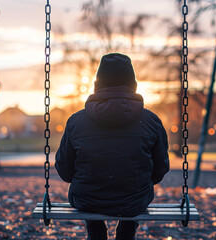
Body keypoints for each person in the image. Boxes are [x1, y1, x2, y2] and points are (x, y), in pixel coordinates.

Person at [55, 53, 170, 240]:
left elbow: (64, 170)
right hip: (134, 200)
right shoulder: (151, 121)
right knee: (135, 190)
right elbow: (161, 168)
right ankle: (127, 231)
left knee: (88, 191)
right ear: (133, 84)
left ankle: (95, 231)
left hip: (88, 200)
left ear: (97, 84)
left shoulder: (76, 121)